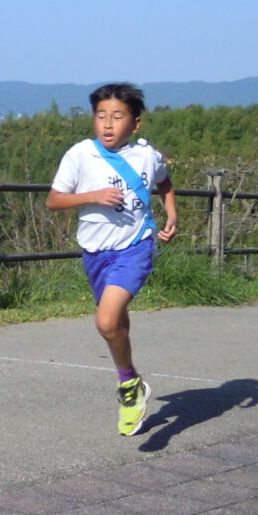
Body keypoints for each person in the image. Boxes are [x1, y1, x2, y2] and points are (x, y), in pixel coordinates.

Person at [46, 83, 178, 435]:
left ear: (135, 124)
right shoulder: (80, 155)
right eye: (101, 116)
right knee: (116, 321)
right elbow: (54, 200)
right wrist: (93, 196)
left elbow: (165, 184)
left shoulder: (147, 157)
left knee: (106, 322)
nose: (107, 124)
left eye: (117, 117)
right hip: (95, 253)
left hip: (135, 248)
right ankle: (134, 380)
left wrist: (172, 215)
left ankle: (126, 384)